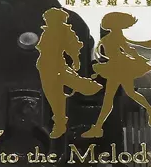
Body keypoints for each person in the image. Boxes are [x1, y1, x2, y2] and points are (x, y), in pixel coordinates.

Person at [82, 12, 151, 138]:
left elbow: (128, 50)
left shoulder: (114, 37)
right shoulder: (115, 36)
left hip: (117, 68)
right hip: (116, 67)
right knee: (127, 94)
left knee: (110, 99)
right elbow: (126, 50)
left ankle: (98, 128)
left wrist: (137, 60)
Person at [36, 8, 102, 139]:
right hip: (45, 66)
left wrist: (76, 61)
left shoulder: (64, 31)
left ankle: (60, 123)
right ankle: (86, 86)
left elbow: (74, 47)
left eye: (49, 18)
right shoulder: (47, 31)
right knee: (52, 94)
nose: (46, 20)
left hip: (57, 66)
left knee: (57, 94)